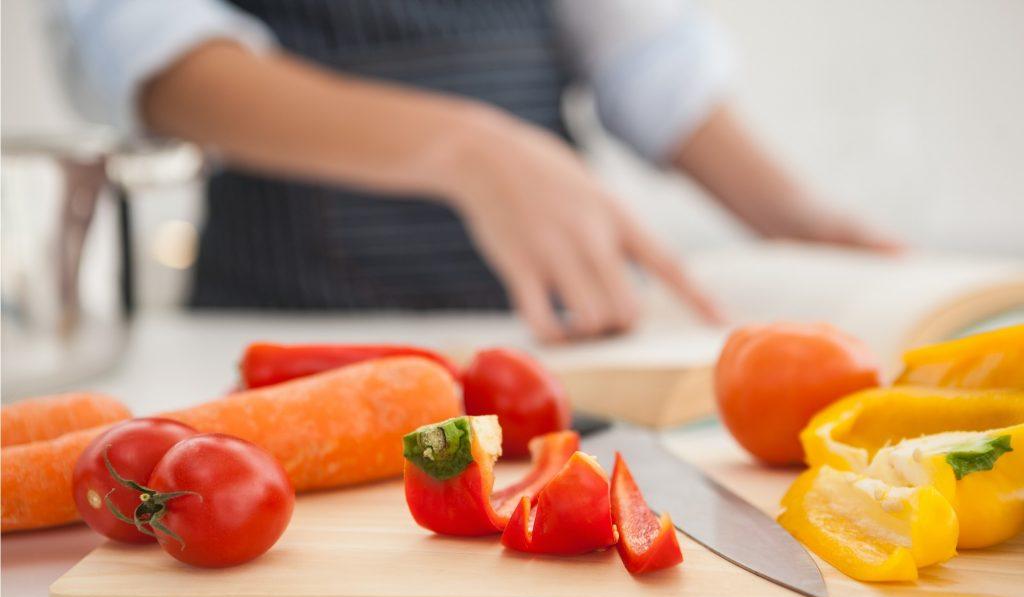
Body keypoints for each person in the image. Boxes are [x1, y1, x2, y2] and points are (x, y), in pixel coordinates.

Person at [57, 0, 899, 342]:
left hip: (551, 336)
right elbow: (139, 47)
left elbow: (647, 54)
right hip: (290, 330)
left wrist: (796, 219)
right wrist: (461, 148)